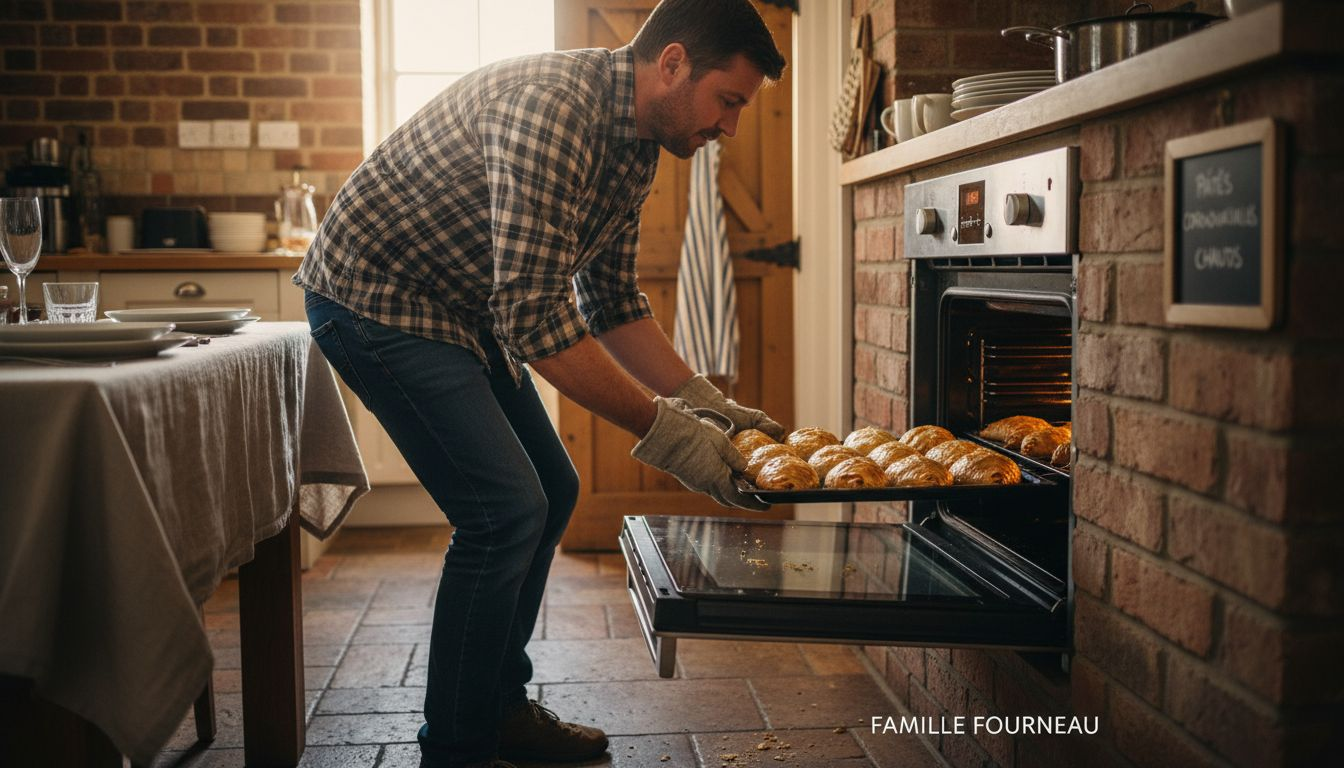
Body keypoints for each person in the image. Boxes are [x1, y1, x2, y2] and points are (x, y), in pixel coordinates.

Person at [293, 1, 786, 766]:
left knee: (551, 489)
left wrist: (705, 403)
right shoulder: (553, 110)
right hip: (374, 298)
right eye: (729, 101)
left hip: (461, 306)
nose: (730, 127)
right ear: (673, 63)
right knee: (502, 511)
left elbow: (612, 303)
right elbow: (533, 316)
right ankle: (456, 744)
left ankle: (499, 706)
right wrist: (672, 435)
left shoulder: (638, 147)